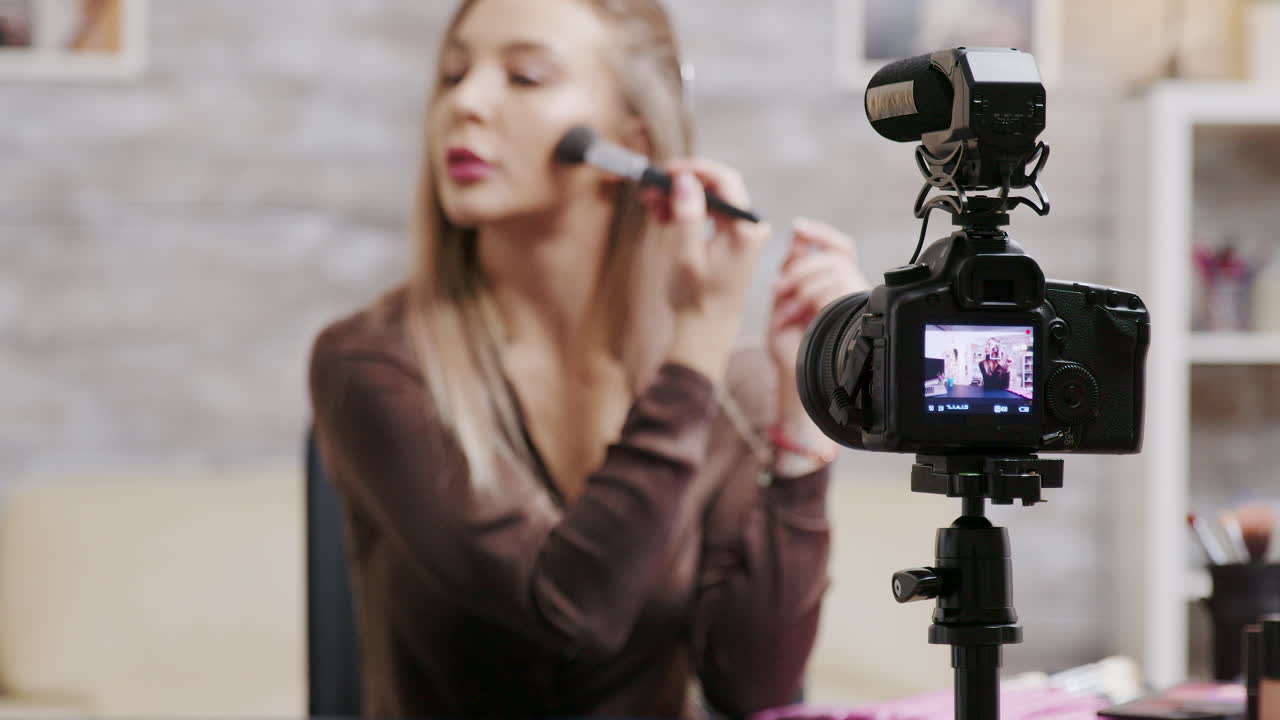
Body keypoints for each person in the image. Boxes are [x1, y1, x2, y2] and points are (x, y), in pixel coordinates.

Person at [308, 0, 867, 717]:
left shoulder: (733, 389)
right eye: (454, 73)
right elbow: (572, 609)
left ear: (629, 143)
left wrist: (802, 422)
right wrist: (694, 347)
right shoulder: (374, 364)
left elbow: (750, 687)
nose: (465, 104)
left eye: (525, 76)